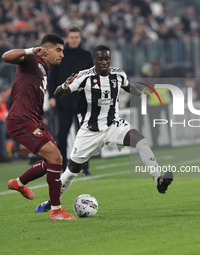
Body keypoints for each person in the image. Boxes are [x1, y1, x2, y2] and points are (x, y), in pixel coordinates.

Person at [35, 45, 173, 212]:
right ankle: (51, 202)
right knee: (72, 170)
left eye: (107, 58)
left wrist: (141, 94)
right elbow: (57, 94)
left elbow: (128, 86)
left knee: (140, 140)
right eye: (100, 59)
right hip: (89, 131)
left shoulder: (118, 74)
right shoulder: (83, 77)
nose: (104, 62)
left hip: (113, 125)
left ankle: (158, 179)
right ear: (94, 60)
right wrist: (64, 86)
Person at [2, 34, 76, 221]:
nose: (62, 55)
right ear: (47, 49)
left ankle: (18, 183)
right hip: (20, 120)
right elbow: (5, 56)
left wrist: (66, 86)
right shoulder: (32, 59)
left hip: (33, 121)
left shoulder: (44, 69)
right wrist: (31, 50)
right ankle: (56, 211)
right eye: (58, 50)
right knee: (56, 157)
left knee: (51, 161)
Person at [47, 26, 93, 176]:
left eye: (76, 37)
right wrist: (52, 97)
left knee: (84, 137)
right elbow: (52, 79)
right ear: (67, 39)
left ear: (80, 39)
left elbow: (93, 79)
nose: (73, 40)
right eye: (71, 37)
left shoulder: (86, 56)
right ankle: (61, 168)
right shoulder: (60, 55)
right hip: (64, 103)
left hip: (82, 103)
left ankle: (84, 167)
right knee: (62, 136)